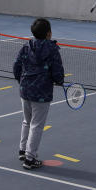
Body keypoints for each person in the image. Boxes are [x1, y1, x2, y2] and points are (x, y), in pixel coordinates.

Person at [12, 17, 64, 170]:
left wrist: (21, 81)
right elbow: (57, 70)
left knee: (26, 121)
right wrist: (59, 80)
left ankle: (23, 151)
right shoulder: (53, 49)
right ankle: (30, 158)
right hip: (41, 93)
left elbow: (16, 66)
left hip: (25, 90)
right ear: (49, 33)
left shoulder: (26, 46)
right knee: (36, 125)